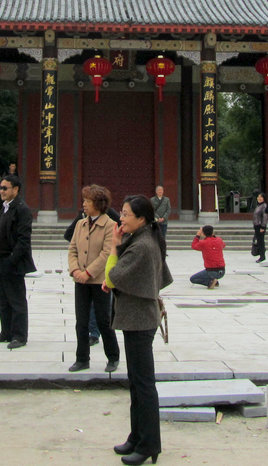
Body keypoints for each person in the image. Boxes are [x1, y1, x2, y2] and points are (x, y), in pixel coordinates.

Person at [104, 195, 173, 465]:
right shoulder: (143, 238)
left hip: (140, 321)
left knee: (143, 385)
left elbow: (113, 276)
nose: (121, 218)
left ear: (141, 219)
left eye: (125, 214)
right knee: (136, 382)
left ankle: (148, 445)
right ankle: (136, 436)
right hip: (138, 318)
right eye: (121, 212)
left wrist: (112, 247)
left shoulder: (142, 244)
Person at [67, 184, 120, 373]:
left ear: (98, 204)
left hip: (99, 282)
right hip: (80, 281)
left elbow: (107, 253)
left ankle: (113, 357)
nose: (84, 204)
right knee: (80, 321)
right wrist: (75, 271)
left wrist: (88, 273)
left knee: (103, 320)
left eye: (87, 201)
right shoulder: (81, 223)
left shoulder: (110, 225)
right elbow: (72, 249)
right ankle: (82, 359)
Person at [0, 174, 35, 349]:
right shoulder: (5, 207)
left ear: (16, 189)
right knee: (4, 298)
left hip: (12, 261)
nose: (1, 191)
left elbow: (24, 240)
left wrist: (12, 260)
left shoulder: (22, 209)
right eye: (0, 188)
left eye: (5, 188)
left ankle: (19, 335)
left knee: (16, 299)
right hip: (1, 260)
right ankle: (6, 332)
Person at [252, 193, 268, 263]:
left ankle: (262, 256)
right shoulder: (258, 205)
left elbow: (265, 216)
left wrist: (263, 226)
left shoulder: (264, 206)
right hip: (256, 225)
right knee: (258, 241)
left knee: (261, 241)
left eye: (261, 197)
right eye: (258, 197)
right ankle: (261, 254)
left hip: (260, 225)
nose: (259, 198)